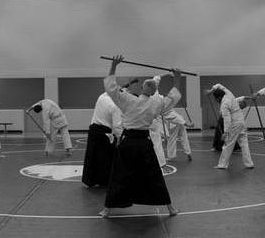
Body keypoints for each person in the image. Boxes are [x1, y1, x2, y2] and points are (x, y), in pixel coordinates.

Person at [100, 55, 180, 218]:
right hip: (144, 144)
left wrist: (113, 66)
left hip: (127, 143)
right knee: (154, 175)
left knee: (119, 174)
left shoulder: (128, 100)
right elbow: (173, 98)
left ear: (143, 89)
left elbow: (111, 88)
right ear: (153, 92)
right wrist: (177, 79)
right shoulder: (156, 103)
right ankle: (171, 209)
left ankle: (107, 210)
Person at [208, 84, 253, 170]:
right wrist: (211, 91)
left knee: (228, 144)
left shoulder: (224, 104)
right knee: (244, 143)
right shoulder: (229, 93)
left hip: (235, 124)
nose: (216, 100)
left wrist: (225, 133)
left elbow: (227, 120)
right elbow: (219, 85)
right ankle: (249, 163)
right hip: (241, 122)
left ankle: (222, 165)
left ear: (218, 98)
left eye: (216, 99)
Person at [82, 92, 123, 187]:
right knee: (105, 157)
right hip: (105, 132)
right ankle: (104, 181)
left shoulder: (102, 97)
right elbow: (117, 126)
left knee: (92, 155)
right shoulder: (115, 106)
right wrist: (120, 138)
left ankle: (89, 180)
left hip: (93, 130)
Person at [151, 75, 192, 162]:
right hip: (178, 121)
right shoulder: (167, 102)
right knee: (184, 136)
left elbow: (173, 116)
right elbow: (173, 91)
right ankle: (188, 153)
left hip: (174, 123)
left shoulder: (163, 106)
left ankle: (171, 156)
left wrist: (187, 124)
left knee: (172, 139)